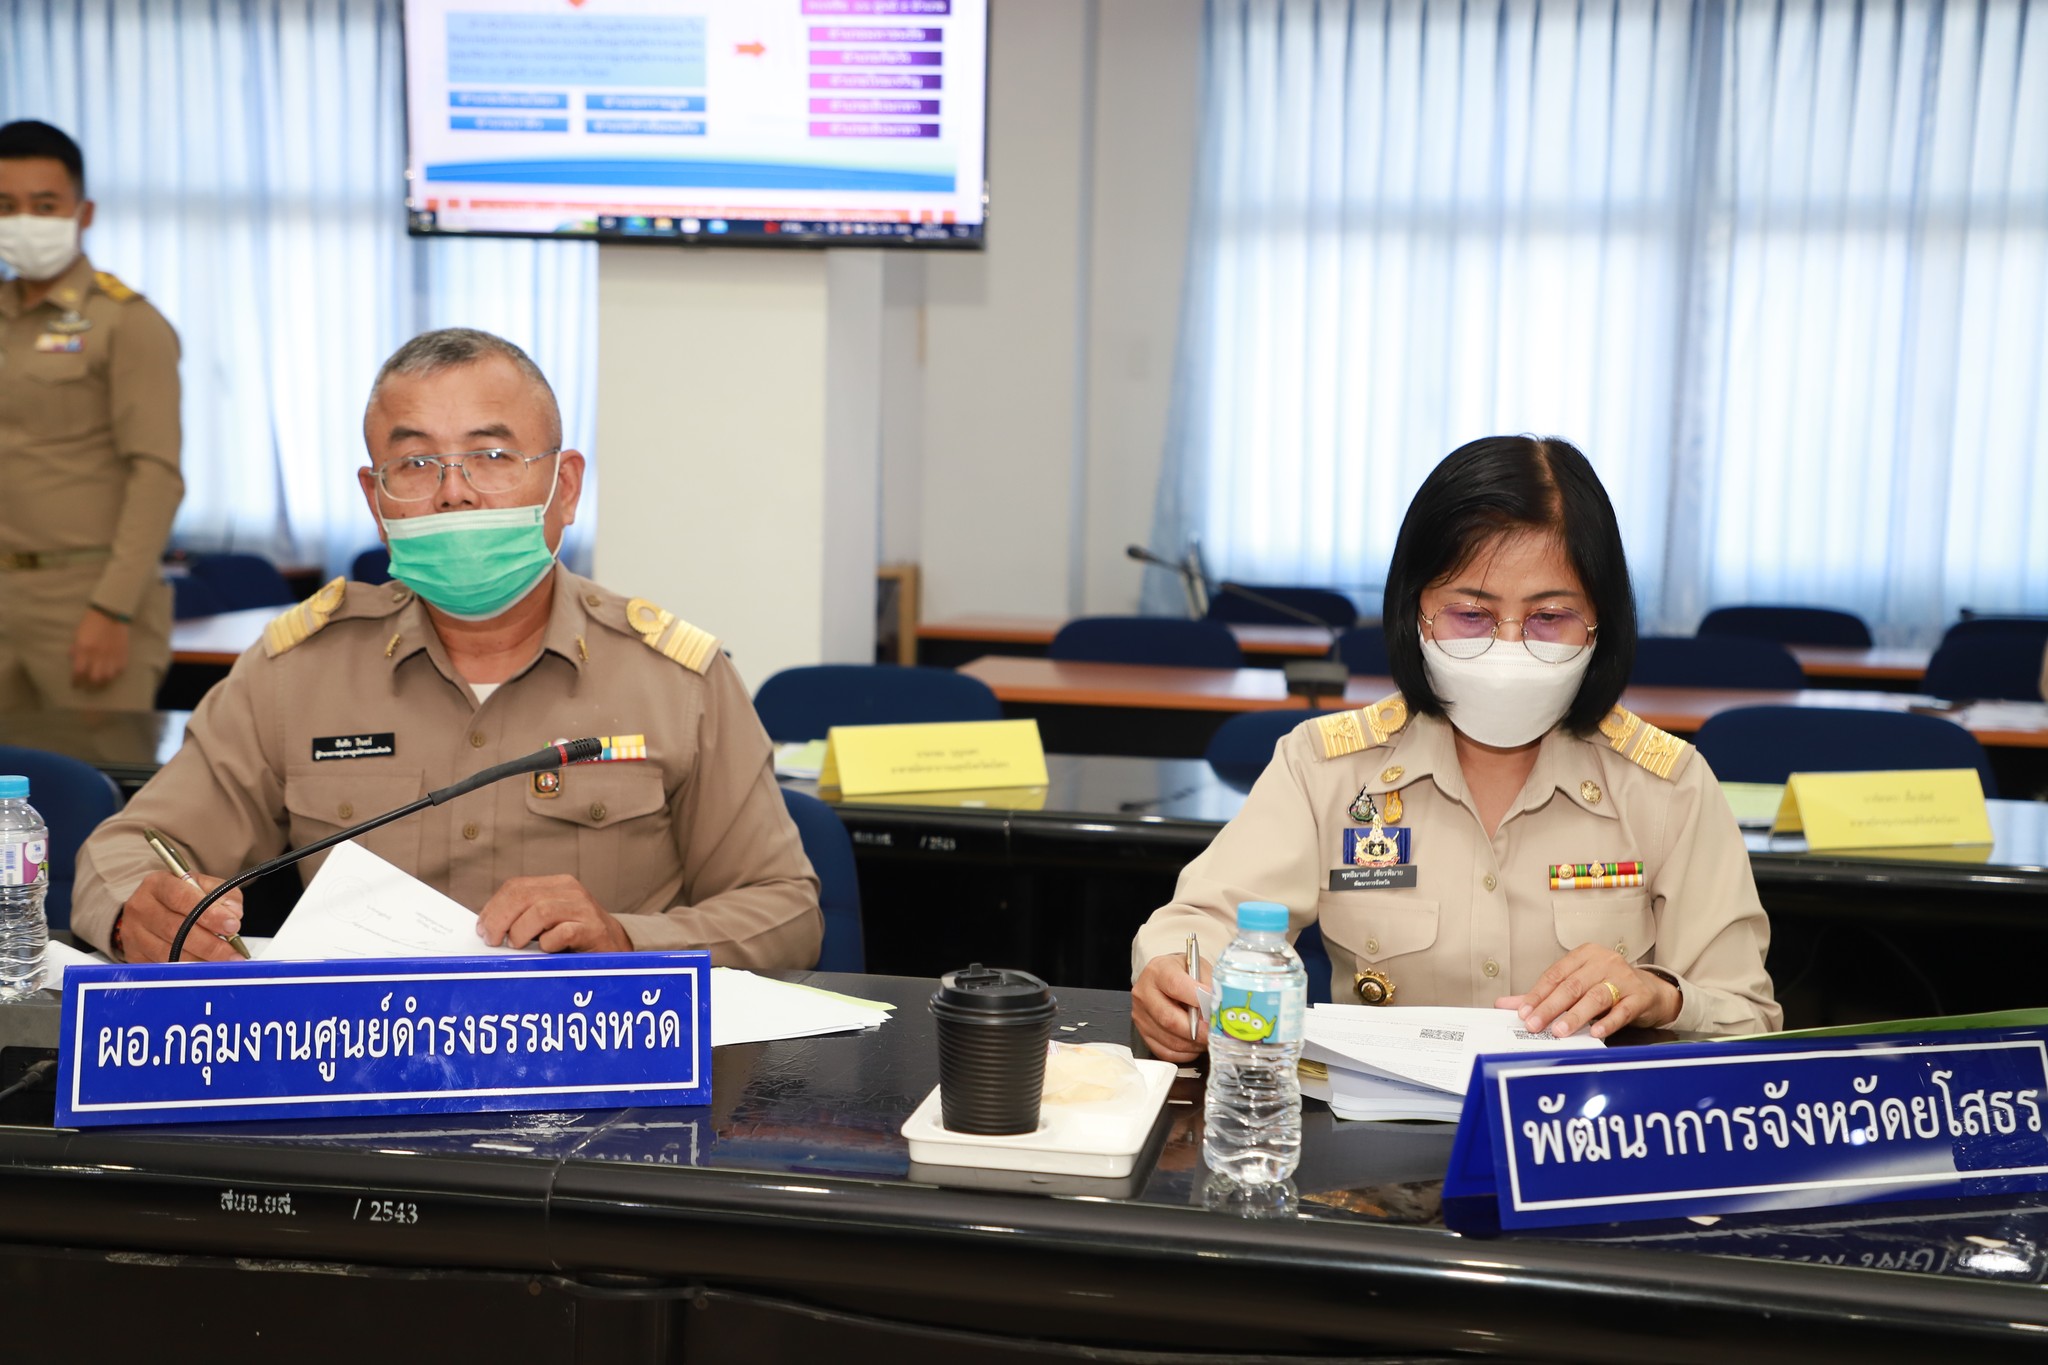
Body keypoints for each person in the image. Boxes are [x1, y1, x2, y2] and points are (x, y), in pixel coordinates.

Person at [72, 327, 822, 967]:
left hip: (600, 1083)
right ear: (376, 499)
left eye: (492, 457)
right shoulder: (295, 673)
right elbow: (127, 846)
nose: (454, 491)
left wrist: (627, 940)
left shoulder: (676, 681)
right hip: (358, 1081)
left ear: (564, 488)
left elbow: (786, 911)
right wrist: (138, 908)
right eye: (416, 463)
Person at [1132, 436, 1780, 1062]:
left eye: (1549, 617)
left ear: (1600, 623)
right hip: (1375, 1145)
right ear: (1415, 613)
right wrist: (1176, 975)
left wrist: (1663, 998)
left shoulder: (1668, 784)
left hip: (1579, 1144)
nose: (1507, 646)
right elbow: (1203, 922)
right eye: (1471, 614)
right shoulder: (1325, 767)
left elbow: (1748, 1019)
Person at [0, 120, 182, 710]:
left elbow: (156, 475)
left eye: (44, 204)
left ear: (83, 213)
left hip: (85, 599)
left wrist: (113, 608)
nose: (24, 220)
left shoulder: (126, 322)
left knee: (92, 791)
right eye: (6, 205)